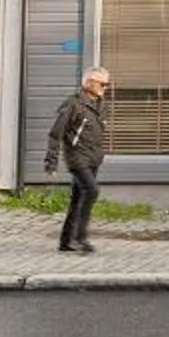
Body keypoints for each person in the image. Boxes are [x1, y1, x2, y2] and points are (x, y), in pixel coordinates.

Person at [43, 67, 113, 253]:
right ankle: (79, 238)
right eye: (102, 84)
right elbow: (55, 134)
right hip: (77, 158)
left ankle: (65, 242)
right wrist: (51, 161)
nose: (105, 88)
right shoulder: (72, 104)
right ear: (89, 82)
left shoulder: (101, 105)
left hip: (93, 159)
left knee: (78, 198)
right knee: (91, 191)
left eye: (107, 84)